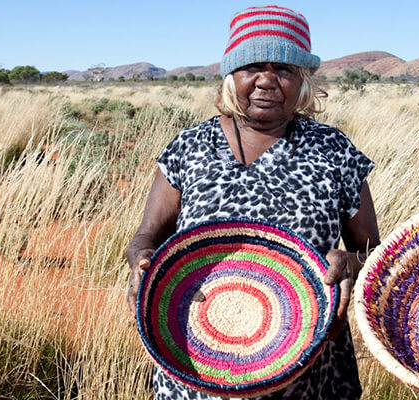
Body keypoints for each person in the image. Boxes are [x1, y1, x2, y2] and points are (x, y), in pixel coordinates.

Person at [126, 5, 379, 399]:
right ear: (231, 76)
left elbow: (371, 251)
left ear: (302, 79)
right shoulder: (190, 148)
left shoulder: (334, 151)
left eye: (283, 69)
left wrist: (352, 263)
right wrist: (142, 259)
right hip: (199, 364)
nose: (266, 81)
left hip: (308, 374)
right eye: (252, 67)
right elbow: (148, 234)